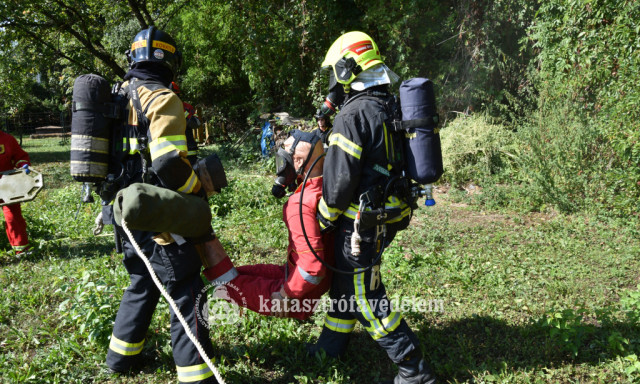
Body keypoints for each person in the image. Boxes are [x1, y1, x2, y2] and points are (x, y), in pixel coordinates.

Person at [311, 31, 437, 384]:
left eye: (335, 74)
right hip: (389, 211)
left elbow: (337, 188)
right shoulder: (388, 104)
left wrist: (321, 220)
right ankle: (332, 345)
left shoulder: (353, 116)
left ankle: (413, 367)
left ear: (347, 69)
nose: (333, 81)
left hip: (362, 222)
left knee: (365, 297)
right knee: (345, 282)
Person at [105, 26, 219, 384]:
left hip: (122, 210)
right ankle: (196, 372)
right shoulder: (161, 97)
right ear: (170, 61)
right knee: (186, 286)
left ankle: (120, 359)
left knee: (142, 279)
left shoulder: (118, 96)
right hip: (161, 215)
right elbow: (168, 163)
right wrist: (196, 190)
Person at [204, 130, 334, 320]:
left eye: (285, 161)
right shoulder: (325, 188)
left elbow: (312, 268)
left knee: (227, 284)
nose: (282, 168)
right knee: (242, 272)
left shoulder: (299, 205)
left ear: (298, 162)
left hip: (301, 297)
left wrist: (285, 295)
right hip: (299, 274)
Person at [0, 130, 31, 254]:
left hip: (8, 185)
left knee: (13, 217)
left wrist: (23, 165)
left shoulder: (7, 139)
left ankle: (21, 249)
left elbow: (20, 157)